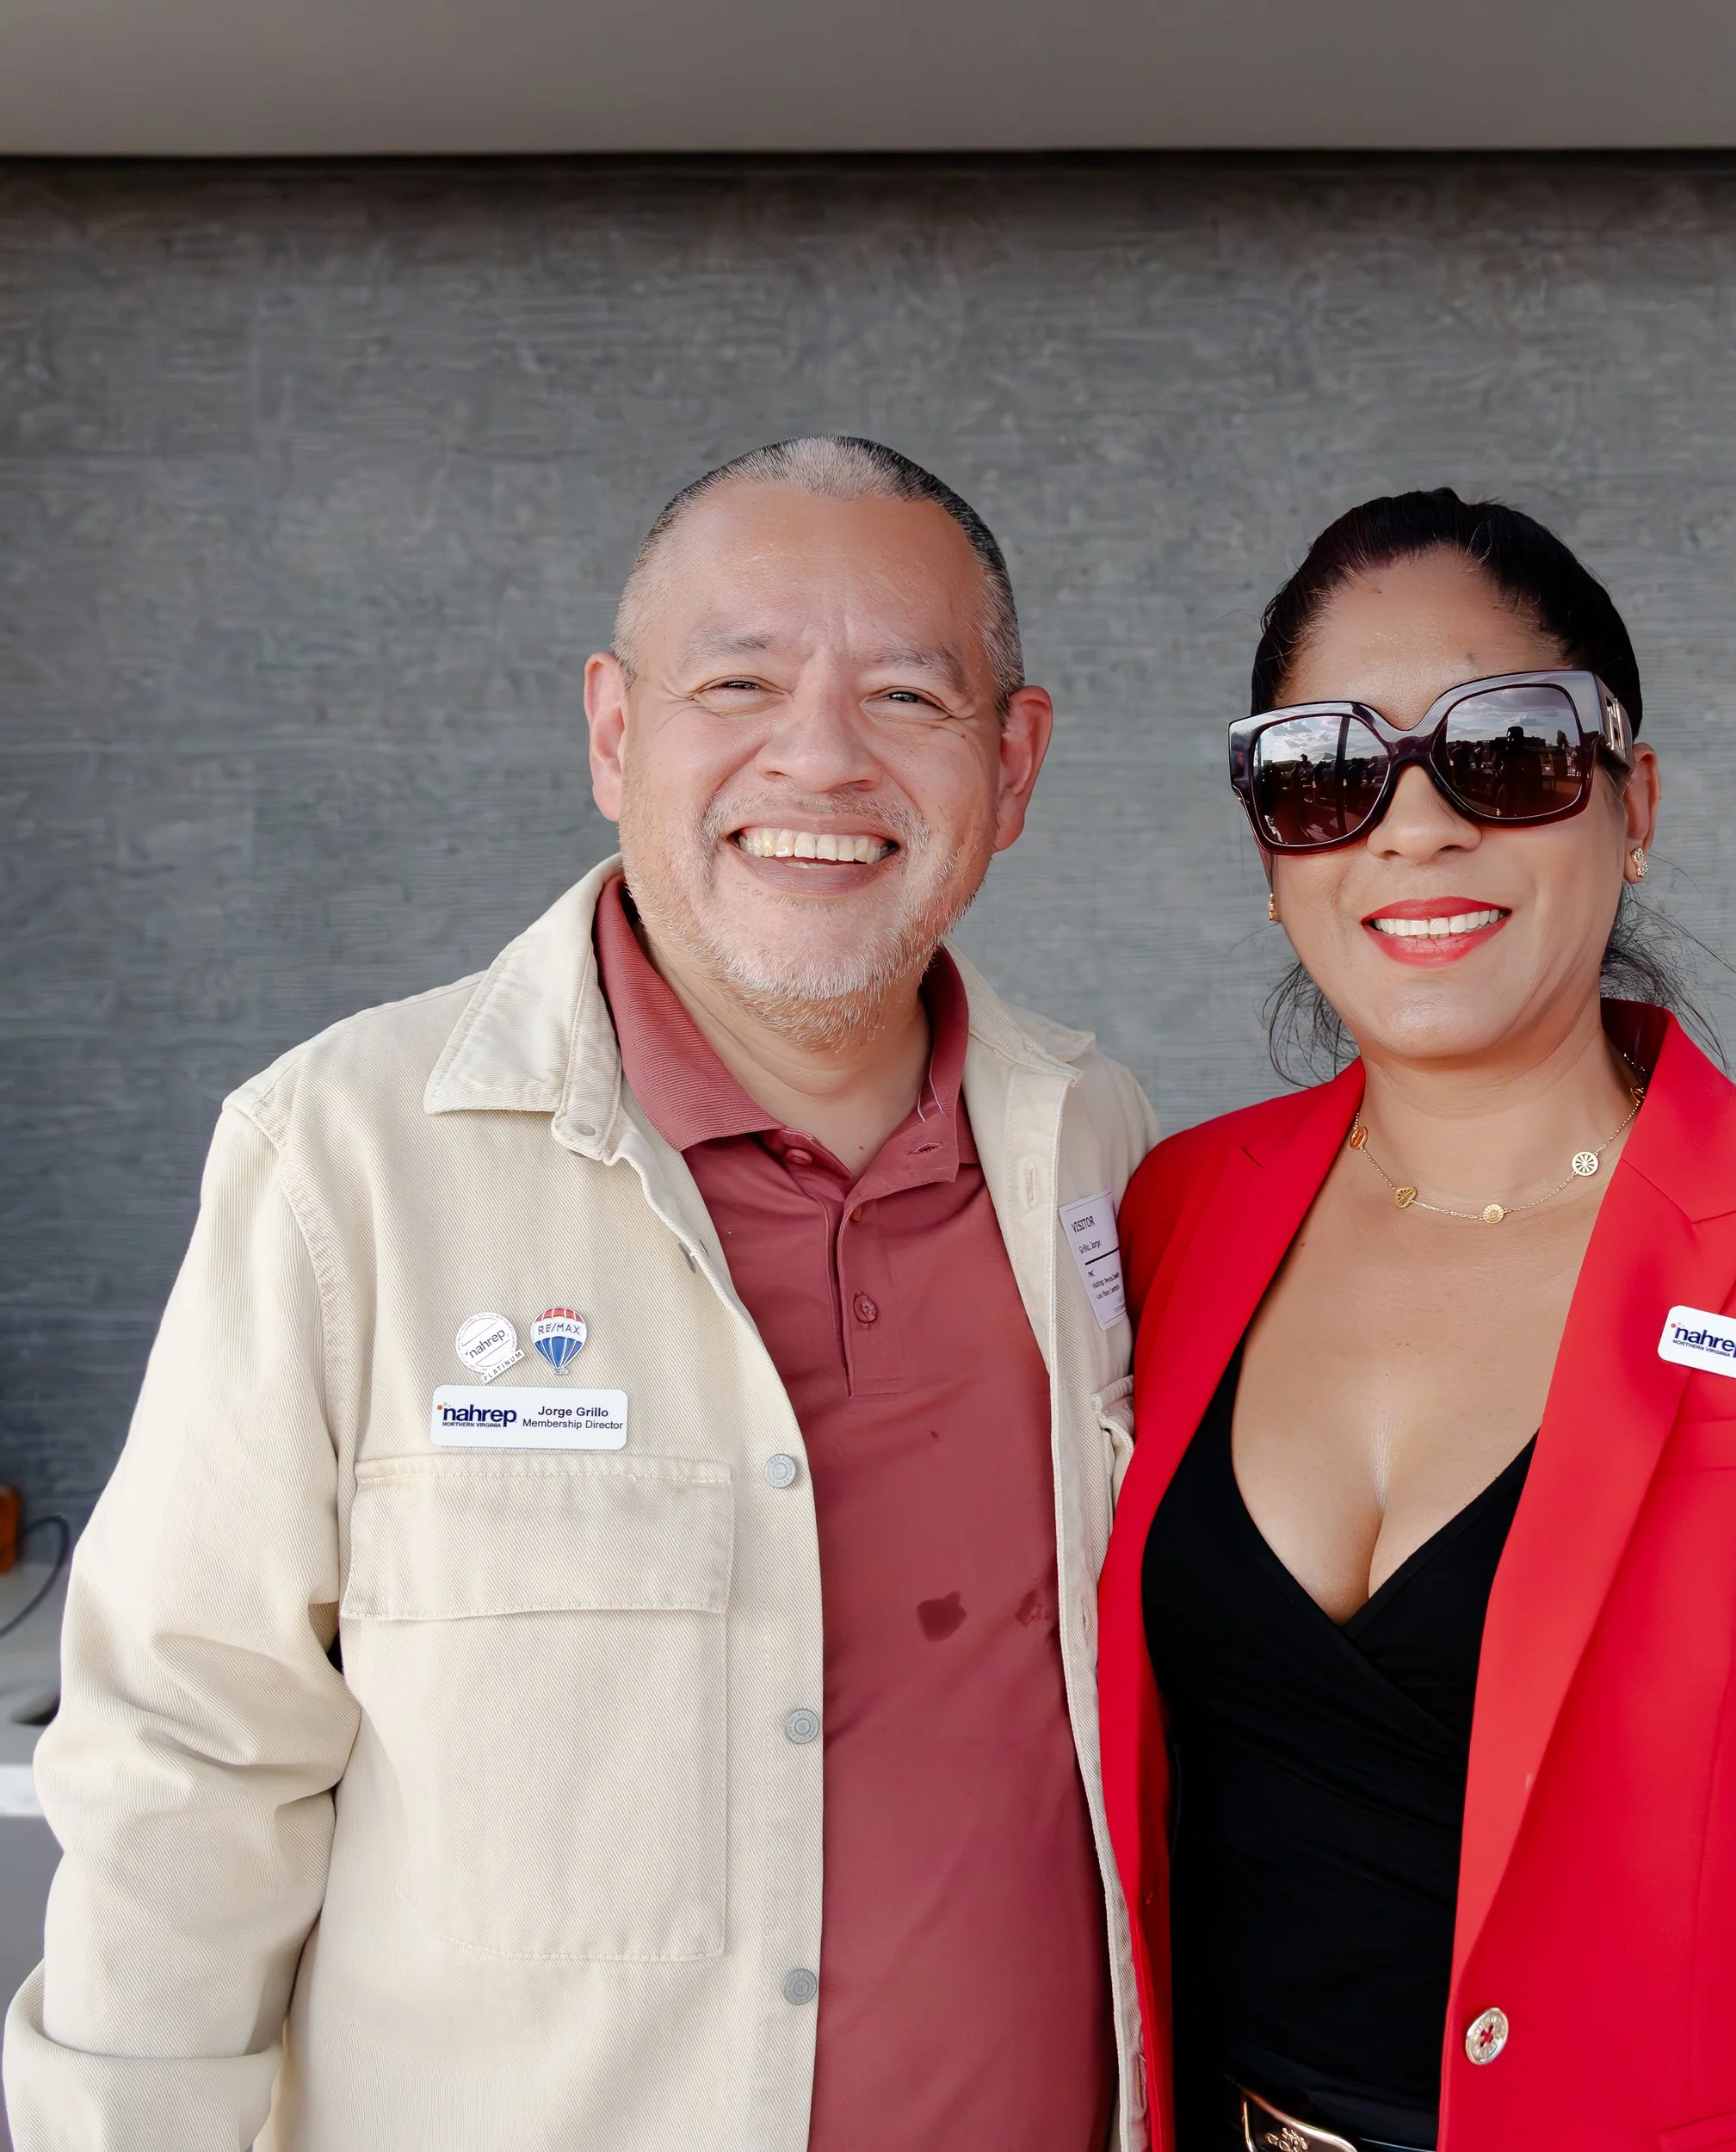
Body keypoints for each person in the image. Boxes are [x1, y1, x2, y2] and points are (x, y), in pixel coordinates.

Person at [5, 436, 1157, 2152]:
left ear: (1015, 758)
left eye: (906, 695)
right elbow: (187, 1754)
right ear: (615, 732)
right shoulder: (346, 1158)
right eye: (738, 679)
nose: (819, 753)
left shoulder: (1097, 1146)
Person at [1096, 489, 1736, 2152]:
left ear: (1631, 805)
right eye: (1323, 771)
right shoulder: (1169, 1216)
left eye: (1506, 750)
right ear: (1272, 837)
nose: (1413, 828)